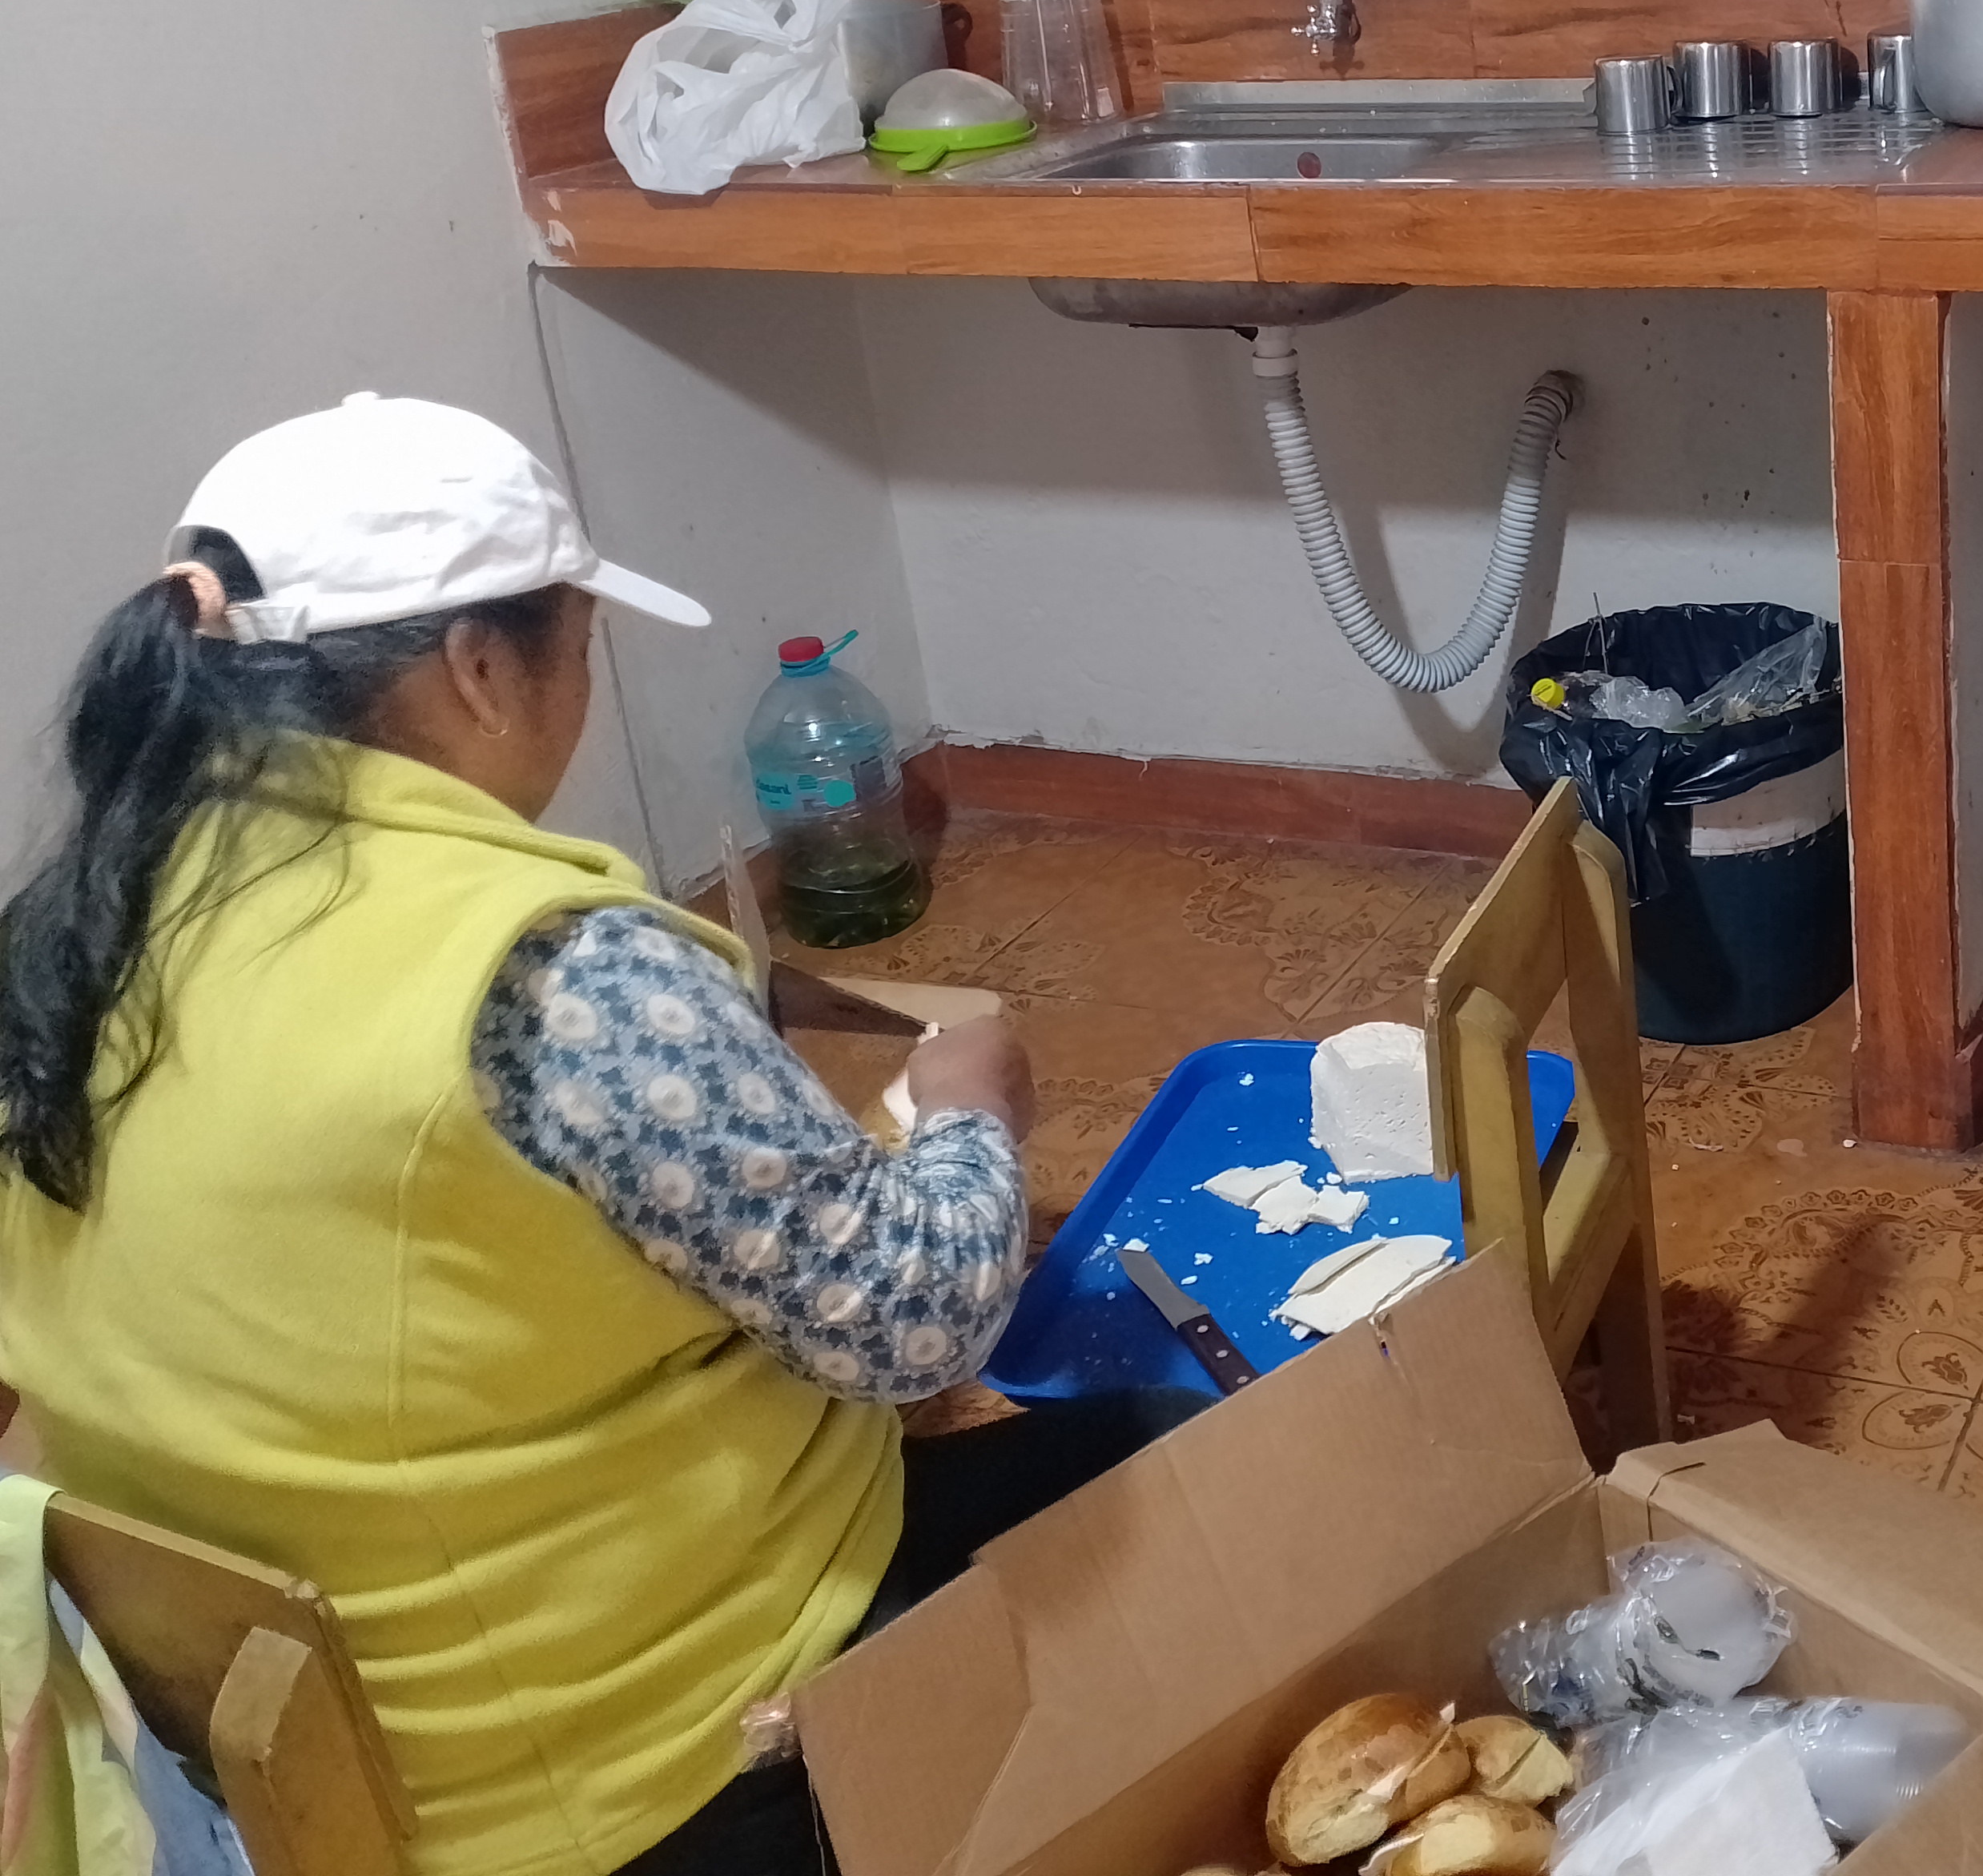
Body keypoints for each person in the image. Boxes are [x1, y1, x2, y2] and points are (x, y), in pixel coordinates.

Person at [0, 395, 1201, 1876]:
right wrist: (965, 1116)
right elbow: (914, 1326)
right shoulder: (559, 977)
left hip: (320, 1761)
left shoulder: (72, 932)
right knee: (1191, 1456)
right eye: (578, 643)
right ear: (479, 667)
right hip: (643, 1759)